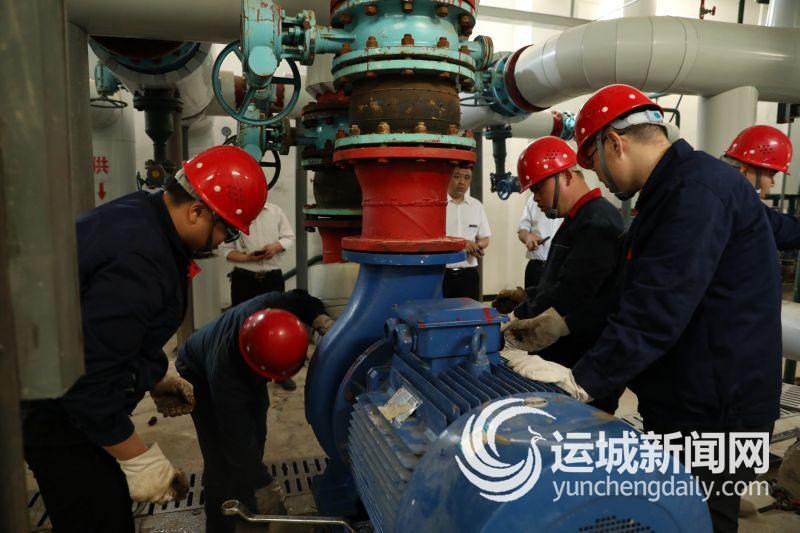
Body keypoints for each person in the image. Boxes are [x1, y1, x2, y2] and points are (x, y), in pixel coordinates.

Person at [505, 85, 781, 532]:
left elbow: (657, 307)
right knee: (671, 513)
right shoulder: (666, 194)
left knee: (699, 519)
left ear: (615, 143)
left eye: (594, 164)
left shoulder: (697, 191)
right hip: (686, 399)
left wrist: (582, 380)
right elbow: (629, 293)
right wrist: (563, 325)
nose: (600, 179)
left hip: (718, 411)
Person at [21, 145, 268, 533]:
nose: (226, 241)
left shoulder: (144, 215)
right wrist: (139, 460)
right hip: (62, 420)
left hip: (73, 406)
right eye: (229, 229)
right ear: (197, 211)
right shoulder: (141, 259)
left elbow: (115, 332)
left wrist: (153, 375)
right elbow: (88, 384)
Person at [175, 290, 333, 533]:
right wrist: (264, 486)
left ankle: (248, 503)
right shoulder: (226, 375)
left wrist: (321, 319)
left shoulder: (272, 306)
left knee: (257, 432)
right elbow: (237, 436)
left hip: (244, 357)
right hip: (196, 369)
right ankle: (220, 524)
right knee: (220, 455)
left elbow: (302, 299)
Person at [499, 136, 625, 414]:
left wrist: (517, 316)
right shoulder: (578, 219)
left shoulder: (597, 222)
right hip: (564, 356)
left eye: (538, 188)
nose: (536, 199)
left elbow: (573, 293)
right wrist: (527, 296)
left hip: (581, 363)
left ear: (566, 176)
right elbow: (562, 279)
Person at [221, 201, 297, 390]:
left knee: (276, 325)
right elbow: (225, 250)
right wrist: (247, 258)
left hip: (272, 278)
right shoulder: (234, 214)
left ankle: (279, 373)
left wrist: (276, 247)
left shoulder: (275, 210)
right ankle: (248, 374)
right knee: (243, 326)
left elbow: (289, 237)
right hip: (244, 279)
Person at [722, 125, 800, 249]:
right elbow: (781, 229)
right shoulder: (741, 208)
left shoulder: (725, 197)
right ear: (744, 171)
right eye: (771, 174)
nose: (772, 183)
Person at [444, 166, 491, 300]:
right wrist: (461, 244)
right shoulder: (438, 205)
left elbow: (485, 237)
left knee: (470, 311)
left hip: (469, 273)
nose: (462, 182)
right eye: (457, 176)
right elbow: (432, 239)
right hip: (442, 273)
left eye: (467, 178)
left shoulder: (476, 206)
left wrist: (478, 246)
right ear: (448, 177)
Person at [518, 194, 563, 289]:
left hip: (562, 268)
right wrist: (528, 237)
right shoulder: (533, 199)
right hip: (537, 267)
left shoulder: (573, 198)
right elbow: (522, 230)